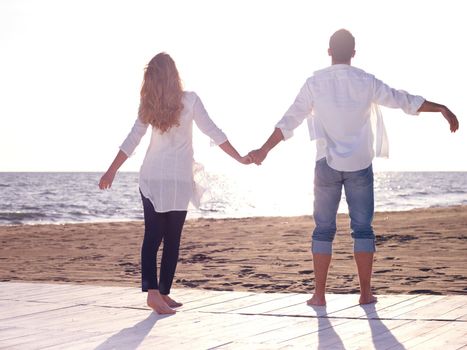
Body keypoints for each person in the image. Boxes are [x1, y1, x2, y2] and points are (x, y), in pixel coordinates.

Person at [248, 29, 459, 306]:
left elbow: (290, 120)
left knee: (323, 230)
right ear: (354, 53)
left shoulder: (314, 83)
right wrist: (441, 108)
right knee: (363, 229)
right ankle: (365, 293)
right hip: (359, 164)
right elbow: (401, 99)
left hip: (326, 164)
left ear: (329, 52)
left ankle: (320, 295)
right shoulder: (365, 81)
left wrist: (264, 149)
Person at [99, 53, 251, 314]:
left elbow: (133, 139)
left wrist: (112, 170)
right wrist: (239, 157)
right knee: (167, 239)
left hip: (163, 178)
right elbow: (212, 131)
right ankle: (153, 294)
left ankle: (162, 292)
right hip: (167, 180)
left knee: (161, 238)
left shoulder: (162, 104)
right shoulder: (181, 101)